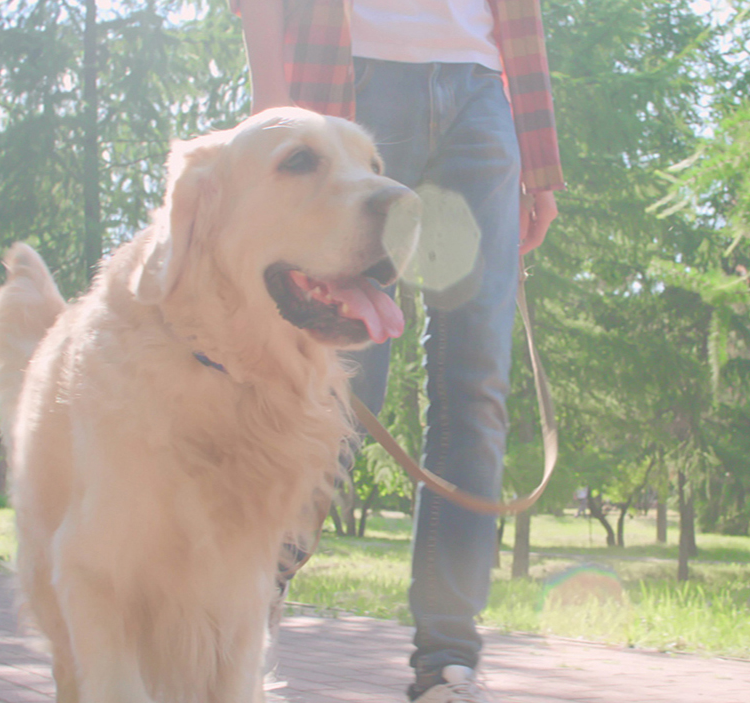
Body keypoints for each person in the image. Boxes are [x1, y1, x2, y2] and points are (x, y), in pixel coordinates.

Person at [234, 1, 564, 701]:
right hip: (348, 82)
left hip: (481, 93)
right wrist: (269, 104)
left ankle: (447, 663)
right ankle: (239, 610)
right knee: (332, 382)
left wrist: (535, 156)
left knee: (475, 385)